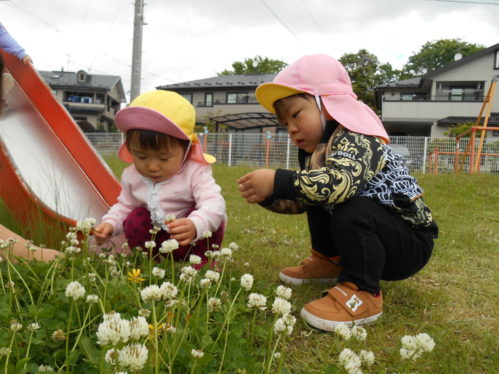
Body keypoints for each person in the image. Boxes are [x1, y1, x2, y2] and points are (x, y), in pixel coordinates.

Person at [238, 54, 438, 330]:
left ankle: (363, 291)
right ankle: (329, 261)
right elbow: (307, 198)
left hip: (408, 243)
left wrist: (281, 181)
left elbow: (341, 183)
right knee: (319, 195)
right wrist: (269, 195)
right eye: (285, 124)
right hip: (376, 237)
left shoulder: (358, 136)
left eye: (296, 114)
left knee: (350, 204)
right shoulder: (319, 150)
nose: (292, 129)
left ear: (328, 105)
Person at [93, 90, 226, 267]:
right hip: (156, 238)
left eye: (163, 158)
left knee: (213, 221)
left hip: (189, 237)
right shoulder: (132, 175)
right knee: (135, 218)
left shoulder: (195, 171)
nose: (152, 166)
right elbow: (125, 206)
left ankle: (203, 266)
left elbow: (215, 203)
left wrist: (196, 224)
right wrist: (110, 223)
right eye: (141, 157)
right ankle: (149, 265)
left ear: (186, 149)